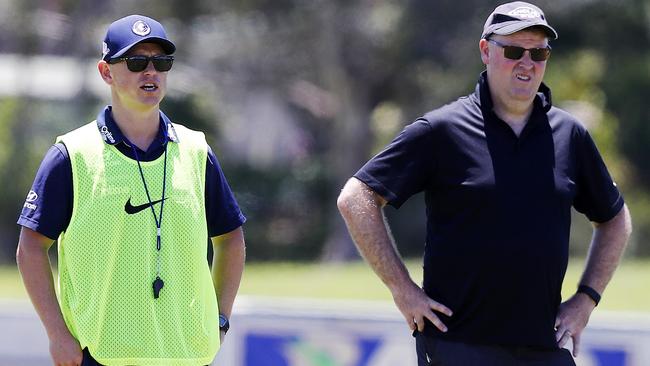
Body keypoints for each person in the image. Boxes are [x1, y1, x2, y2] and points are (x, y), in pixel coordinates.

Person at [337, 2, 632, 365]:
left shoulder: (570, 135)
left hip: (544, 347)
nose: (527, 63)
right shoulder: (441, 130)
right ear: (485, 51)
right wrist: (403, 290)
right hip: (458, 345)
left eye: (538, 52)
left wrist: (586, 298)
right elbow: (356, 197)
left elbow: (615, 219)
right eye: (513, 51)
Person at [16, 14, 246, 366]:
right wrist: (58, 335)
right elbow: (31, 247)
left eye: (161, 62)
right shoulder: (72, 155)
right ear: (106, 72)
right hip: (103, 356)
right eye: (137, 62)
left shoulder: (197, 151)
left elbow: (230, 238)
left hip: (188, 356)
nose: (151, 72)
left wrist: (220, 320)